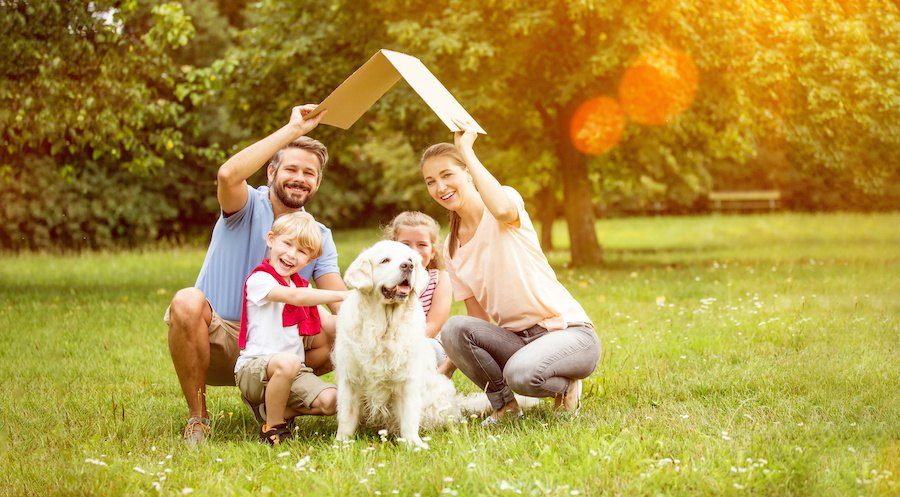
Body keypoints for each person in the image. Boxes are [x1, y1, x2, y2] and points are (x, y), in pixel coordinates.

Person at [165, 104, 347, 444]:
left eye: (309, 173)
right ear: (271, 173)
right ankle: (198, 419)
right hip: (220, 337)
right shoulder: (245, 205)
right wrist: (294, 130)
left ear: (318, 182)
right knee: (186, 301)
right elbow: (227, 175)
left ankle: (274, 406)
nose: (299, 178)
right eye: (290, 169)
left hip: (279, 346)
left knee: (343, 329)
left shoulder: (318, 234)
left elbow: (341, 301)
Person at [420, 118, 602, 424]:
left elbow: (502, 209)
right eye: (430, 181)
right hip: (518, 341)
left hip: (569, 334)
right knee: (453, 328)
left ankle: (566, 386)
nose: (440, 187)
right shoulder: (451, 246)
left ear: (467, 172)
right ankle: (504, 408)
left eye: (447, 175)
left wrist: (466, 149)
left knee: (521, 374)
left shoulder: (503, 204)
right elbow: (476, 320)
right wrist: (442, 375)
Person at [235, 211, 348, 445]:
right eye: (287, 244)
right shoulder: (260, 280)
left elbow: (332, 322)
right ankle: (273, 428)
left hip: (294, 373)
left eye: (302, 252)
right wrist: (345, 294)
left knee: (335, 400)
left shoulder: (301, 285)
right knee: (288, 361)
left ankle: (276, 409)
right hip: (254, 370)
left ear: (309, 260)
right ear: (271, 239)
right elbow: (295, 297)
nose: (291, 254)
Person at [383, 211, 455, 377]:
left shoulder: (440, 279)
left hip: (424, 343)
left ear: (433, 251)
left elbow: (433, 325)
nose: (413, 251)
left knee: (428, 351)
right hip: (386, 345)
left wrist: (400, 346)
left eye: (422, 244)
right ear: (392, 246)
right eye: (406, 244)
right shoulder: (384, 280)